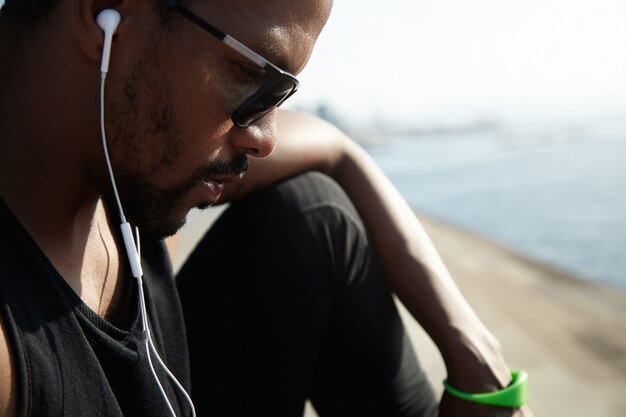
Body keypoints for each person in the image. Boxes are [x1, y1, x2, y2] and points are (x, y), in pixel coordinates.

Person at [0, 0, 534, 416]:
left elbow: (336, 150)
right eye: (253, 75)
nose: (265, 138)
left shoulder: (130, 175)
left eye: (282, 94)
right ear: (104, 17)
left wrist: (470, 346)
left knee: (315, 215)